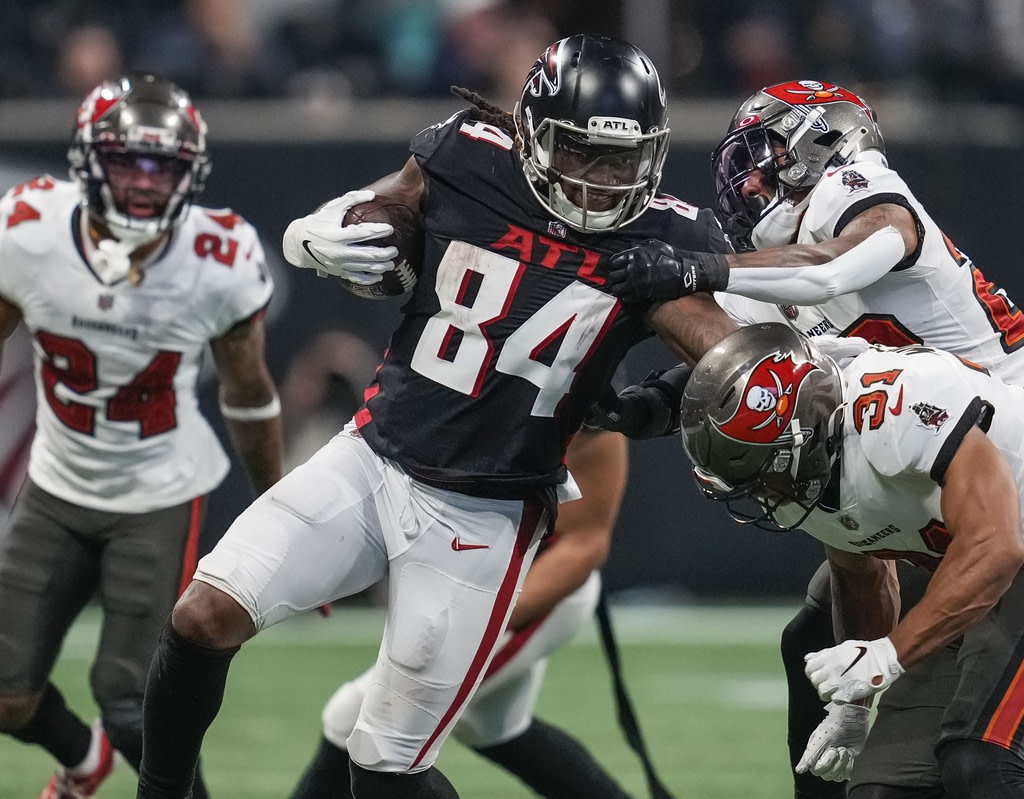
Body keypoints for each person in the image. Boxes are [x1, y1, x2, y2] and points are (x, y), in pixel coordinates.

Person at [134, 34, 737, 799]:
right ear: (530, 133)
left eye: (621, 159)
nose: (600, 178)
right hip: (373, 455)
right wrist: (333, 227)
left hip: (484, 516)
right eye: (580, 152)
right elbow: (390, 202)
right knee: (201, 615)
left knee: (385, 767)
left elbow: (726, 355)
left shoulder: (664, 238)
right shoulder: (467, 153)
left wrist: (668, 400)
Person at [604, 79, 1024, 795]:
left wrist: (702, 266)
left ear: (822, 144)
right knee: (815, 643)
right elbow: (757, 365)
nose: (749, 182)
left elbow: (830, 270)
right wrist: (635, 408)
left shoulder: (857, 192)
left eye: (762, 158)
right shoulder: (778, 267)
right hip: (930, 485)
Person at [679, 322, 1024, 798]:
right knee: (883, 792)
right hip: (965, 579)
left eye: (763, 471)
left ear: (801, 434)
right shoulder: (805, 470)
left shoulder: (904, 403)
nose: (764, 493)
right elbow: (862, 573)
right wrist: (853, 706)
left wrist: (887, 657)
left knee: (980, 767)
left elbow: (997, 548)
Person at [0, 73, 282, 799]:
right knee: (5, 691)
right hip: (57, 486)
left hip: (157, 493)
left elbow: (250, 396)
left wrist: (281, 509)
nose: (147, 184)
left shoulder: (216, 256)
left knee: (129, 701)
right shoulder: (29, 230)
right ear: (90, 161)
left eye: (165, 167)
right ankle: (81, 762)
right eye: (129, 161)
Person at [291, 428, 634, 799]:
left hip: (531, 585)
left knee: (354, 720)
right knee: (493, 726)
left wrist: (480, 611)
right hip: (468, 571)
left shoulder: (579, 383)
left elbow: (585, 542)